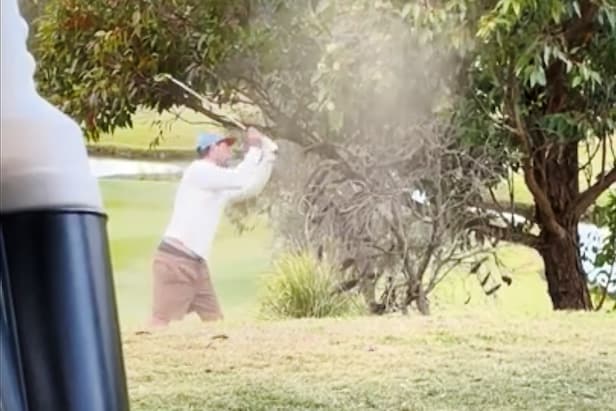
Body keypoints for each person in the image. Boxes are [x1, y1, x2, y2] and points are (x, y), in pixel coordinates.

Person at [147, 127, 277, 327]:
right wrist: (255, 148)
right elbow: (238, 178)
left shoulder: (216, 184)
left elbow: (250, 187)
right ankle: (148, 354)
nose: (229, 151)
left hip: (197, 265)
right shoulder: (199, 171)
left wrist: (268, 158)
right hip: (176, 261)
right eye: (225, 145)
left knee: (215, 323)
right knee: (160, 323)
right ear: (211, 148)